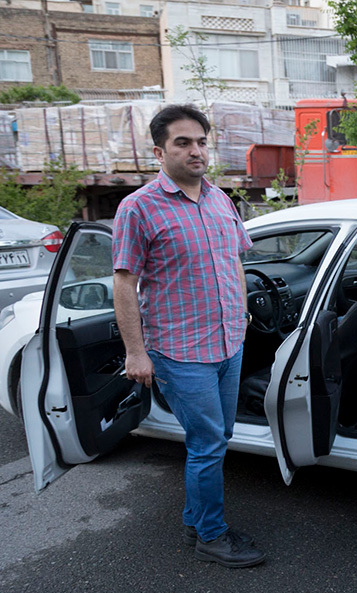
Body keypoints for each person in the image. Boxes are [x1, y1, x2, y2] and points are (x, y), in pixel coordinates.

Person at [112, 104, 265, 569]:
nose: (195, 150)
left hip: (227, 343)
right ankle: (212, 536)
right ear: (160, 151)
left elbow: (234, 261)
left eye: (200, 141)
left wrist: (240, 313)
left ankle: (196, 517)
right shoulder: (138, 208)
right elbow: (123, 282)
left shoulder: (220, 199)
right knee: (208, 442)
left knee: (220, 436)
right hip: (179, 350)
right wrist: (135, 353)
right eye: (183, 142)